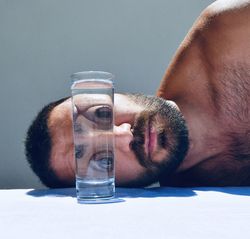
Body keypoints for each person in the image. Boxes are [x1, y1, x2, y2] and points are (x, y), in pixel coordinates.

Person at [25, 0, 250, 188]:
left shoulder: (229, 30)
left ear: (117, 94)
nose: (124, 137)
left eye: (100, 114)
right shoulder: (193, 206)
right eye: (101, 161)